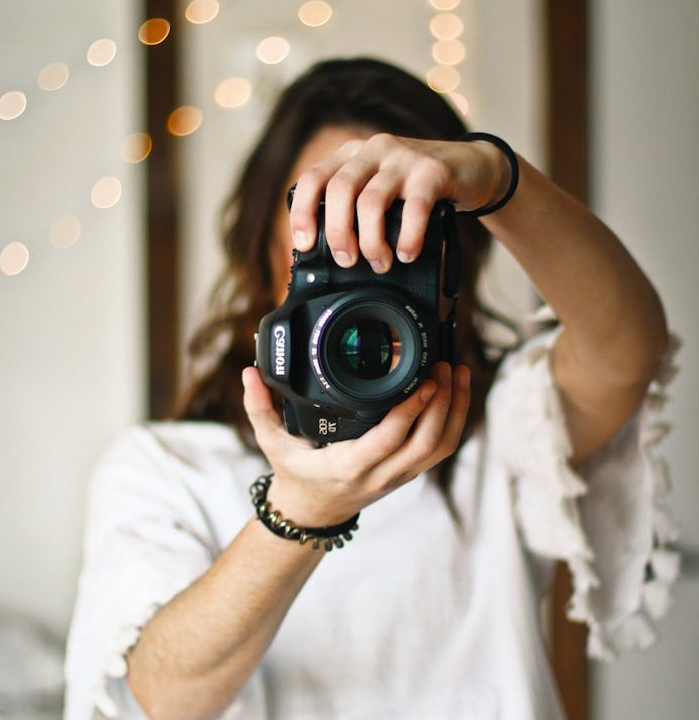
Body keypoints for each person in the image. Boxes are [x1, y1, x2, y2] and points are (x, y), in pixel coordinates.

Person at [64, 58, 679, 720]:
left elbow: (627, 352)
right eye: (325, 213)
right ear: (266, 245)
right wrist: (299, 511)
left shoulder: (495, 428)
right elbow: (159, 699)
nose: (357, 245)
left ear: (450, 259)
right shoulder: (165, 467)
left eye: (392, 216)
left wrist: (498, 179)